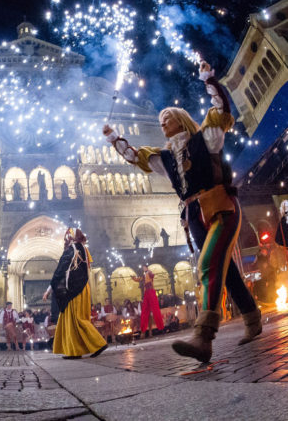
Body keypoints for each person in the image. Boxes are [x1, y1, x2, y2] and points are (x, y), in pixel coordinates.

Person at [103, 61, 261, 363]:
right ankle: (253, 322)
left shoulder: (206, 138)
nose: (162, 123)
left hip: (221, 207)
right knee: (225, 273)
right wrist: (113, 138)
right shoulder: (164, 157)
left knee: (208, 267)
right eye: (160, 120)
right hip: (194, 217)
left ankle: (204, 336)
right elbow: (135, 156)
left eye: (167, 118)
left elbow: (221, 107)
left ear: (180, 119)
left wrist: (207, 78)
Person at [43, 228, 107, 359]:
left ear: (70, 238)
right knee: (75, 319)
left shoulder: (72, 249)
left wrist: (50, 289)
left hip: (74, 290)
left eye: (66, 237)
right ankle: (75, 350)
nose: (65, 240)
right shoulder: (84, 249)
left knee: (75, 319)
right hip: (83, 288)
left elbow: (60, 271)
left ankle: (99, 344)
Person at [131, 265, 165, 338]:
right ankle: (144, 331)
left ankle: (160, 327)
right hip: (147, 293)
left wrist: (150, 273)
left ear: (146, 268)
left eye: (144, 268)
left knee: (155, 309)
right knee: (145, 311)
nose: (144, 269)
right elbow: (139, 279)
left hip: (151, 291)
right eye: (143, 268)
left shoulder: (149, 273)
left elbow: (152, 276)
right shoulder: (144, 275)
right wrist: (134, 278)